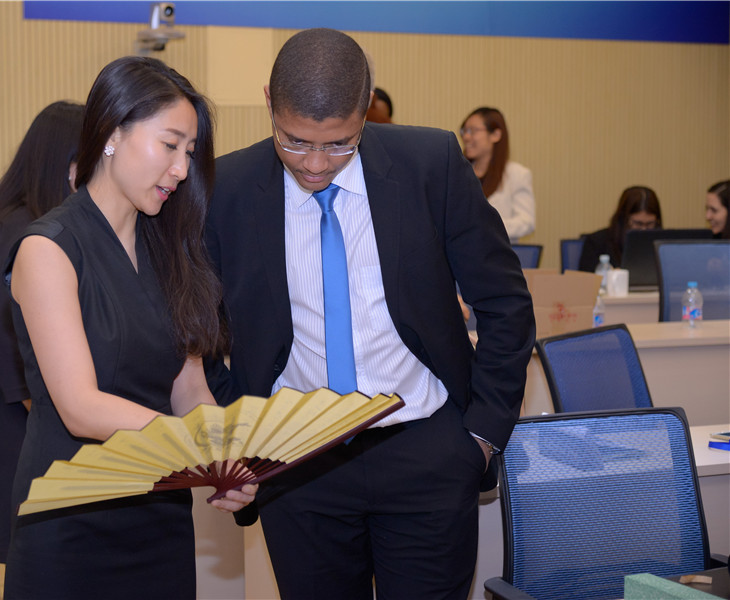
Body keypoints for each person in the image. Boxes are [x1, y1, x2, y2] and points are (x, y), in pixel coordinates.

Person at [205, 28, 535, 599]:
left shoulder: (430, 165)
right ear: (269, 103)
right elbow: (196, 329)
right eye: (294, 141)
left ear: (365, 110)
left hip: (426, 452)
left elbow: (505, 302)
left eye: (339, 144)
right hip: (296, 464)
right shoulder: (226, 188)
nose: (315, 165)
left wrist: (480, 437)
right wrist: (239, 432)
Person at [2, 56, 255, 599]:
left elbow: (190, 389)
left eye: (190, 152)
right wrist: (198, 449)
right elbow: (81, 406)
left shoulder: (170, 250)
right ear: (113, 133)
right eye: (170, 145)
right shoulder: (47, 248)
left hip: (158, 515)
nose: (182, 169)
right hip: (69, 519)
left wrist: (227, 459)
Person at [0, 100, 84, 564]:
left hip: (13, 421)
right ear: (63, 161)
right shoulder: (21, 231)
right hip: (6, 428)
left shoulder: (32, 222)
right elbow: (17, 360)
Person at [459, 107, 535, 242]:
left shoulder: (517, 174)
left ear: (496, 135)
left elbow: (526, 222)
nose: (466, 137)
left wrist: (486, 225)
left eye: (473, 131)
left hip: (497, 251)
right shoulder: (459, 173)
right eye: (464, 131)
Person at [578, 185, 662, 272]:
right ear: (623, 218)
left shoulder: (662, 244)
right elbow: (585, 279)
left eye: (650, 224)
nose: (644, 229)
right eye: (638, 223)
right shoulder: (596, 243)